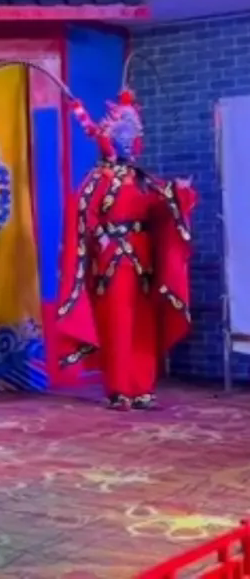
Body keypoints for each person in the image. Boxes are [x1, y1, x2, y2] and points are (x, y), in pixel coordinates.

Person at [54, 78, 196, 410]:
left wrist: (180, 194)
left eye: (132, 138)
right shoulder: (96, 180)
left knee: (142, 323)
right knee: (117, 322)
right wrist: (100, 238)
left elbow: (161, 207)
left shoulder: (142, 179)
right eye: (123, 137)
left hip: (142, 261)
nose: (128, 144)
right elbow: (82, 214)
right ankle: (120, 388)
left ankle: (143, 387)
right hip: (112, 261)